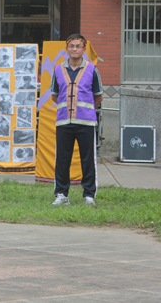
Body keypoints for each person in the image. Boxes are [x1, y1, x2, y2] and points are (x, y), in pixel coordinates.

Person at [50, 34, 103, 207]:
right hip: (64, 122)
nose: (74, 49)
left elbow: (98, 96)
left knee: (87, 159)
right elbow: (54, 95)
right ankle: (61, 194)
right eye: (71, 46)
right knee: (62, 159)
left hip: (86, 122)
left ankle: (89, 195)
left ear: (84, 49)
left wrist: (85, 109)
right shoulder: (58, 69)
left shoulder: (92, 69)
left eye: (78, 46)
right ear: (66, 49)